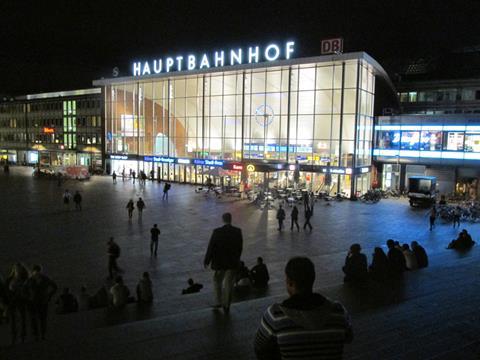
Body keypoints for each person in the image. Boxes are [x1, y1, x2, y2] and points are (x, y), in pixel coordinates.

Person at [254, 257, 353, 359]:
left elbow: (259, 346)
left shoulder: (275, 315)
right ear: (313, 279)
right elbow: (349, 338)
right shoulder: (338, 311)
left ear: (290, 282)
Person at [204, 212, 243, 314]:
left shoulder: (217, 232)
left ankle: (218, 301)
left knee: (217, 281)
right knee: (229, 284)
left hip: (220, 262)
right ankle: (227, 304)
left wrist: (207, 260)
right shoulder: (237, 231)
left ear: (223, 220)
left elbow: (211, 247)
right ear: (231, 219)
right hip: (232, 262)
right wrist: (237, 258)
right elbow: (240, 247)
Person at [24, 265, 58, 341]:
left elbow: (24, 290)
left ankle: (39, 335)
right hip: (39, 301)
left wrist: (28, 297)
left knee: (38, 319)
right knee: (39, 319)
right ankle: (40, 335)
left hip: (38, 301)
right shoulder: (43, 279)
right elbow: (54, 286)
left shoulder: (31, 280)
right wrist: (49, 295)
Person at [6, 263, 29, 344]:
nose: (17, 271)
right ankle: (16, 336)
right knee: (16, 319)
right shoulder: (11, 280)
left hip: (19, 300)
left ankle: (21, 336)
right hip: (15, 300)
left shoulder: (24, 280)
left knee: (21, 318)